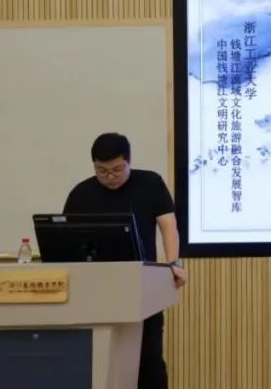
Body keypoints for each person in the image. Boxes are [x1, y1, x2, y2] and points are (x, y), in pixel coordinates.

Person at [63, 132, 187, 389]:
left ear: (129, 161)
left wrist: (174, 263)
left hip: (142, 287)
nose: (110, 176)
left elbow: (168, 225)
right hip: (96, 290)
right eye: (102, 170)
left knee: (149, 360)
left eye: (117, 169)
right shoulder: (81, 194)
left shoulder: (150, 183)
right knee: (100, 359)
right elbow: (66, 239)